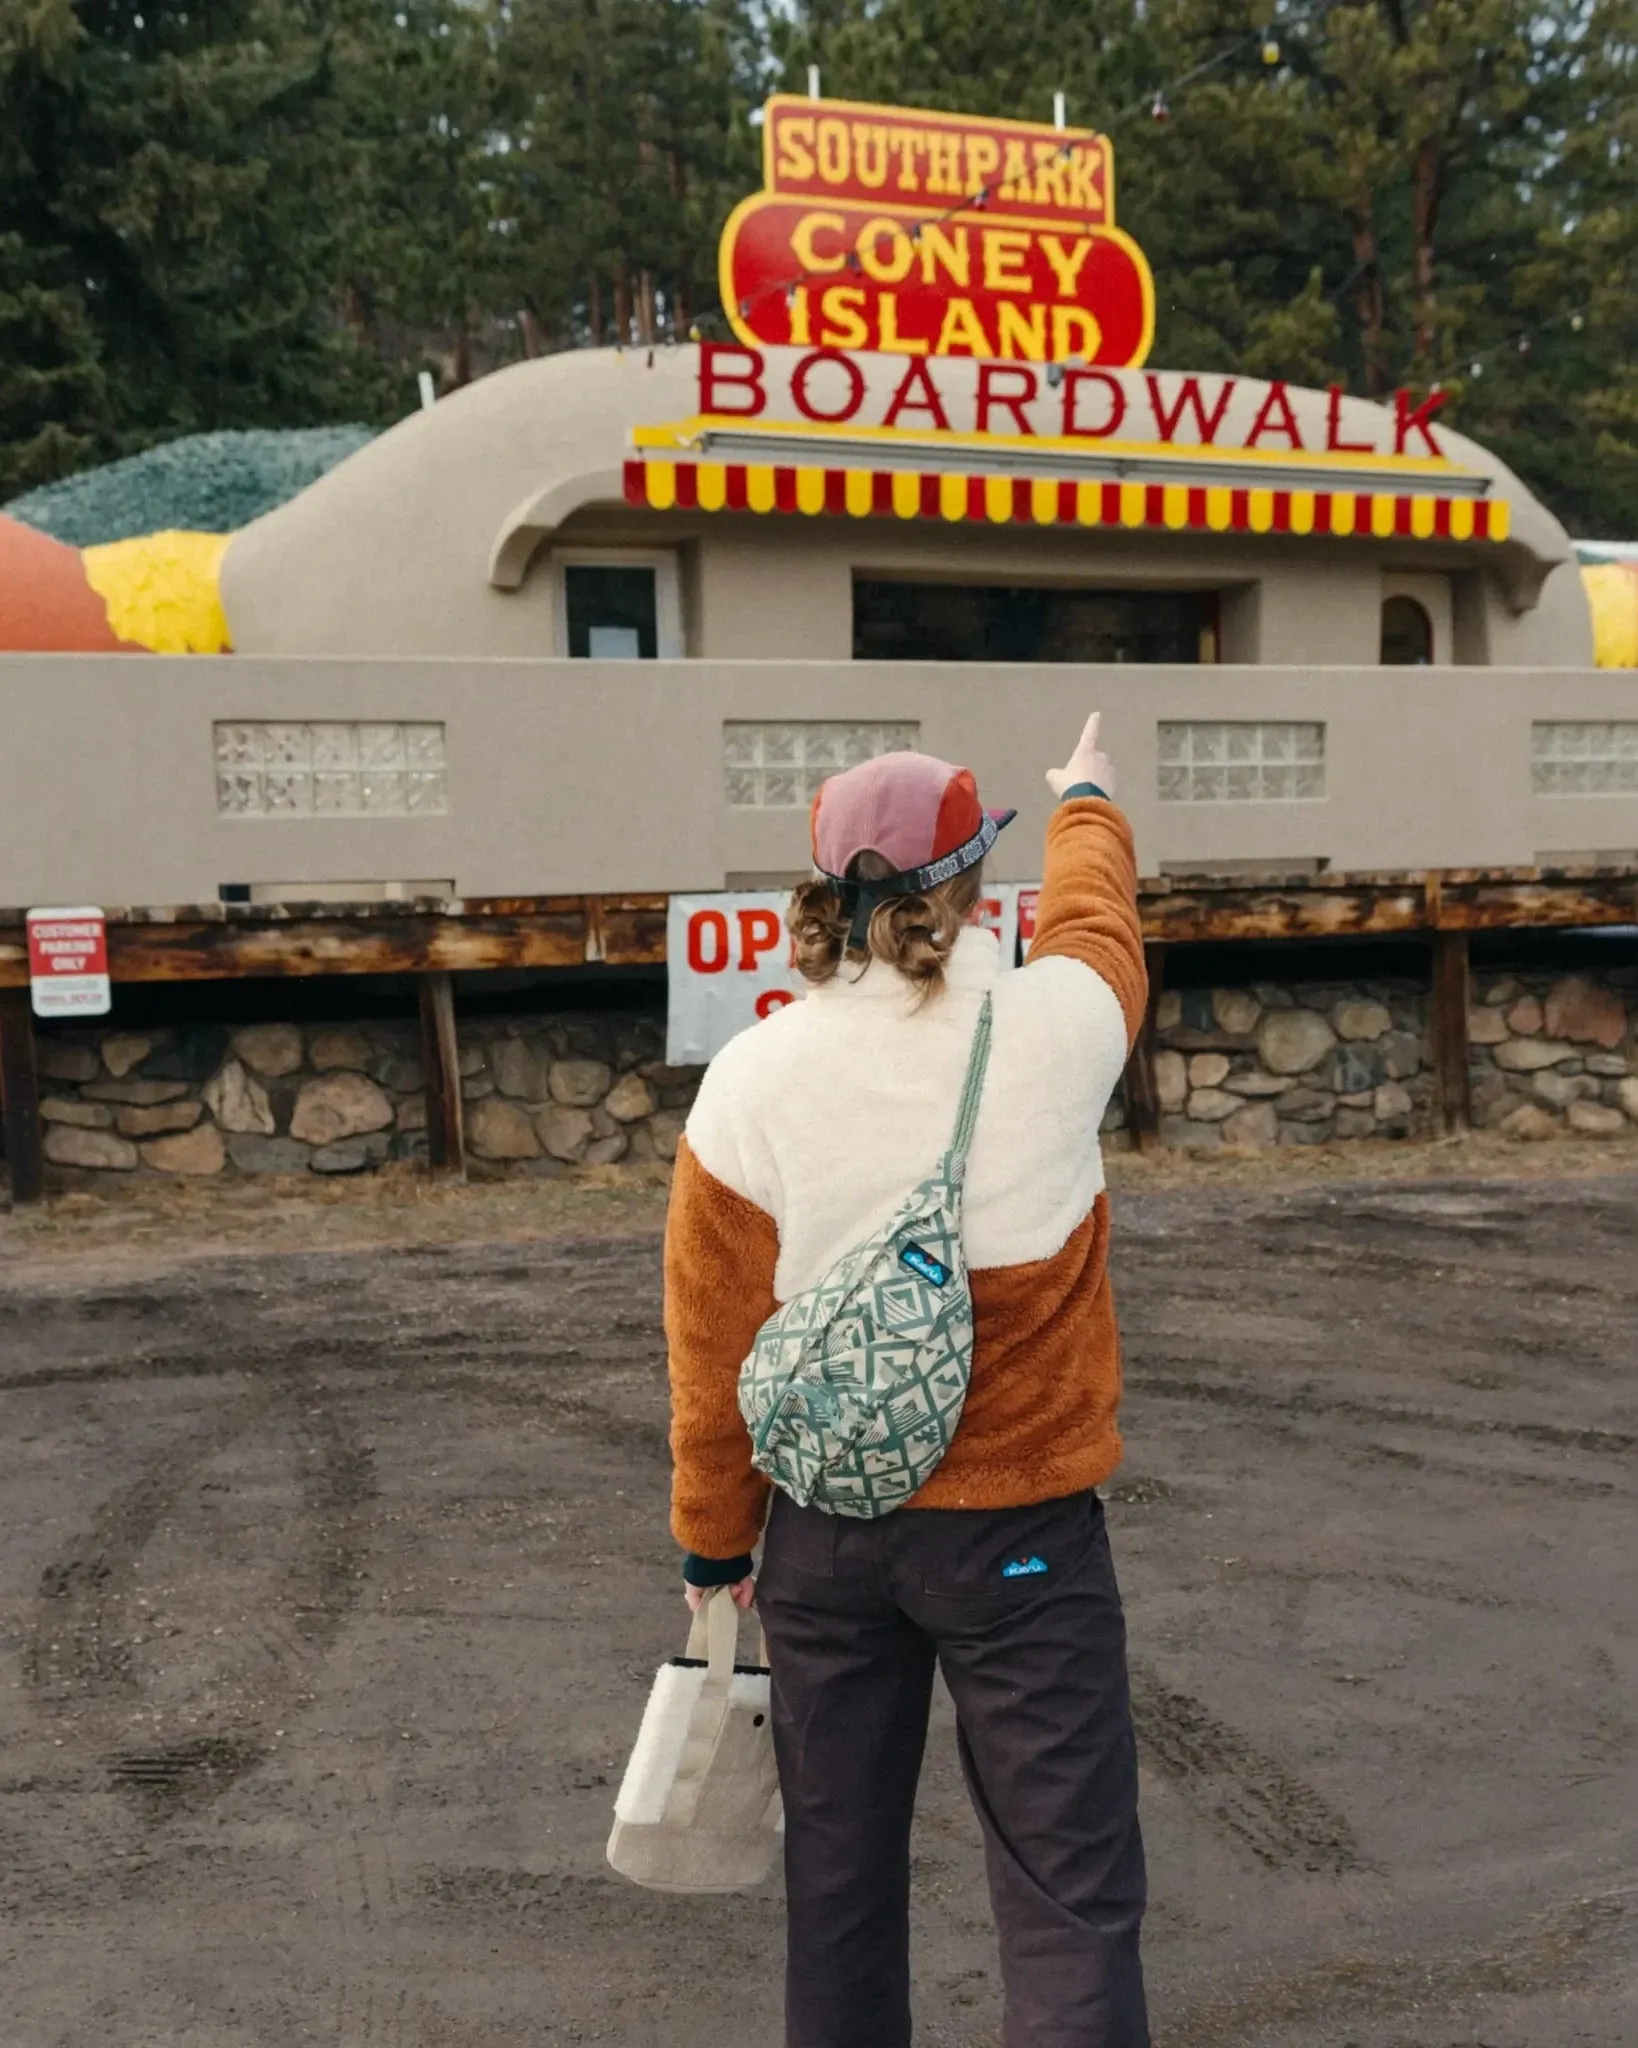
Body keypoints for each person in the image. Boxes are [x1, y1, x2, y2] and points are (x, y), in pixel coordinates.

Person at [663, 712, 1150, 2048]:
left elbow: (710, 1357)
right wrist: (1087, 797)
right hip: (1021, 1541)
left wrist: (715, 1550)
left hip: (825, 1542)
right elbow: (1101, 922)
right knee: (1067, 1894)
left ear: (819, 898)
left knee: (835, 1889)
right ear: (973, 886)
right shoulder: (1064, 1026)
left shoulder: (750, 1080)